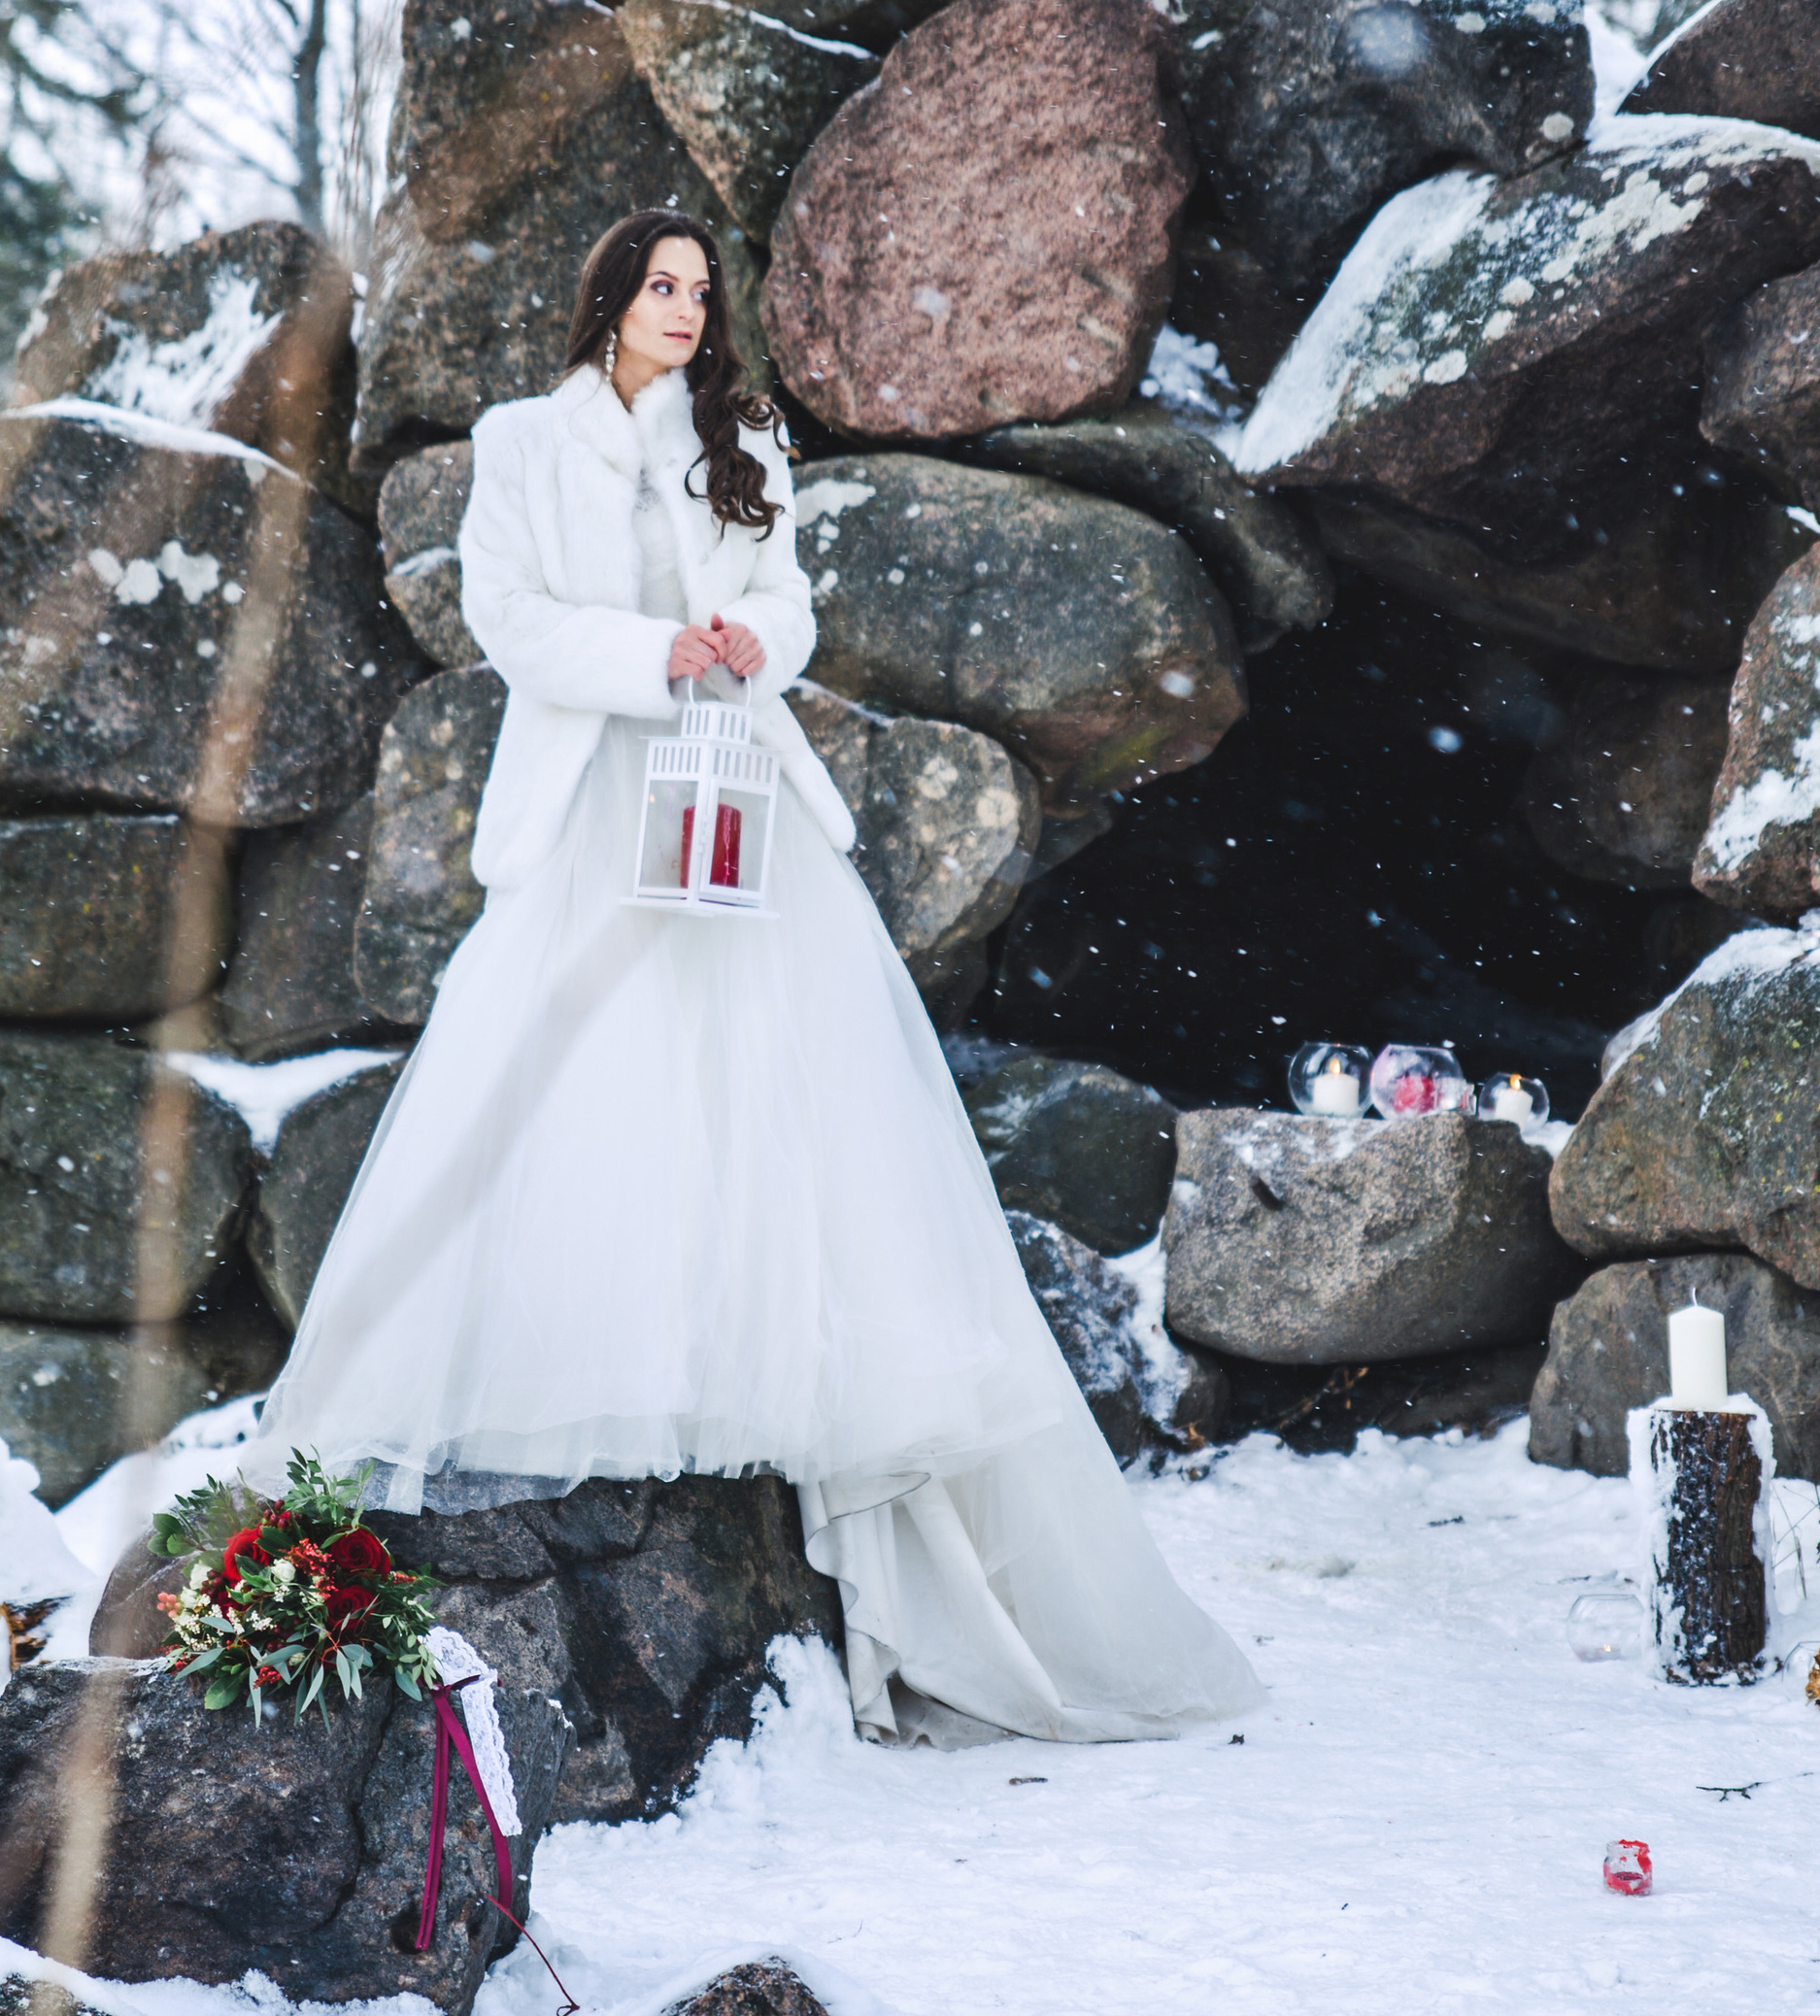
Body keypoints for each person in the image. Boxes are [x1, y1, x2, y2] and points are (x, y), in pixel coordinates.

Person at [238, 206, 1257, 1746]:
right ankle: (607, 1383)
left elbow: (792, 609)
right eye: (659, 284)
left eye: (701, 293)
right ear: (607, 294)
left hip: (733, 798)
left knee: (779, 1089)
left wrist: (742, 642)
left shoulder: (749, 442)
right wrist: (651, 654)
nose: (682, 309)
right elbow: (507, 617)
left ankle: (811, 1446)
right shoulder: (523, 442)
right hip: (593, 803)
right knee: (584, 1078)